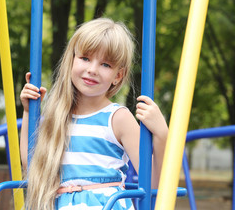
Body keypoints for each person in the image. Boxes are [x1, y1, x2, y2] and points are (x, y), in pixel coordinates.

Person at [19, 18, 168, 210]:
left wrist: (162, 135)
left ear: (118, 76)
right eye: (85, 58)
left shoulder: (117, 118)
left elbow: (152, 184)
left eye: (105, 65)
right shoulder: (56, 116)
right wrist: (28, 113)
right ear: (72, 60)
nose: (92, 70)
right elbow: (31, 165)